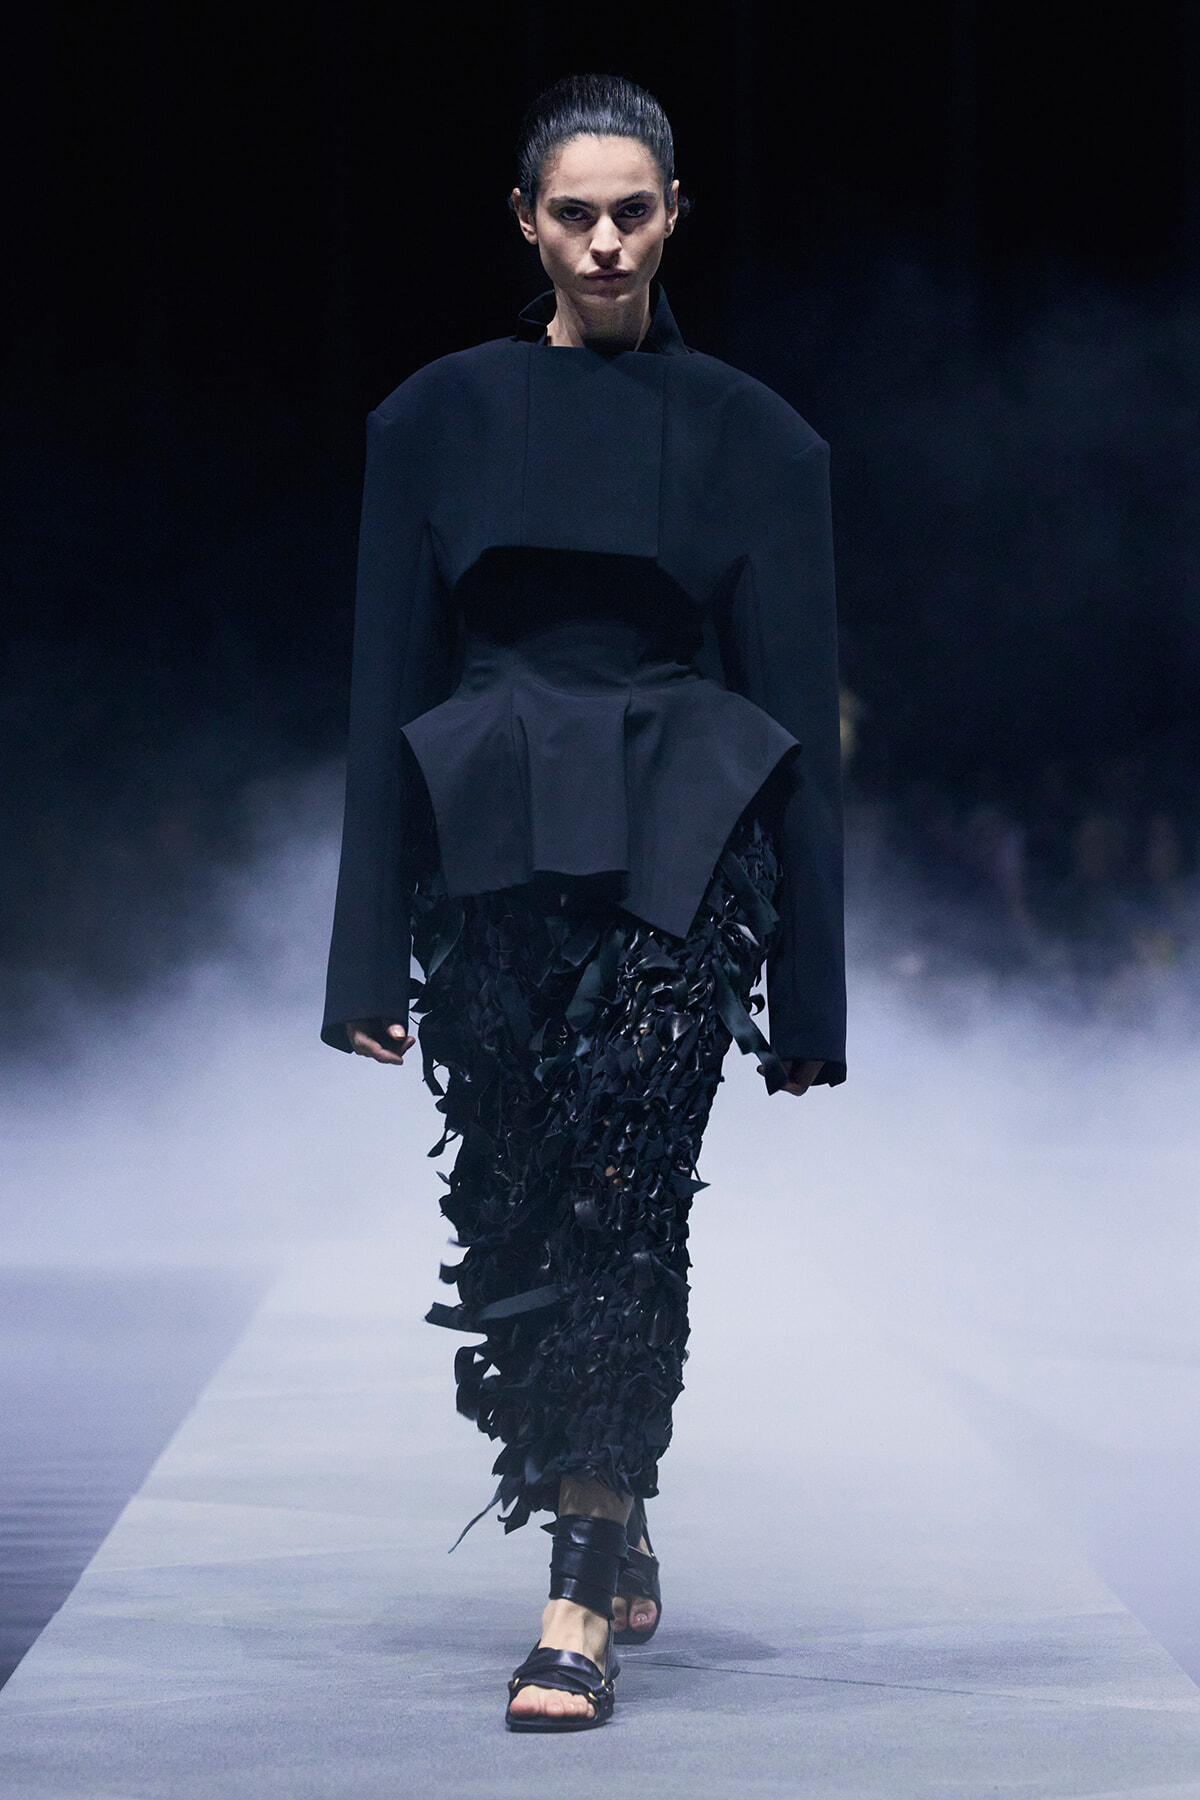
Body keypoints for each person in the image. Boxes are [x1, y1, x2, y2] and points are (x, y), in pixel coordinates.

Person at [322, 72, 846, 1733]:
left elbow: (802, 715)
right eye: (576, 214)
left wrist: (813, 991)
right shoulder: (432, 420)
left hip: (685, 836)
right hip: (488, 842)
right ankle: (605, 1499)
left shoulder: (760, 437)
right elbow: (381, 691)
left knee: (626, 1193)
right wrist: (360, 949)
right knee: (524, 1209)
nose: (607, 241)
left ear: (675, 213)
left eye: (633, 211)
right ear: (526, 224)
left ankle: (577, 1580)